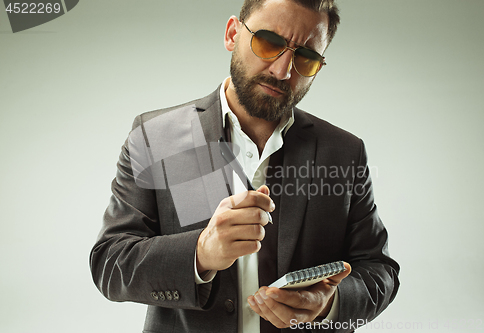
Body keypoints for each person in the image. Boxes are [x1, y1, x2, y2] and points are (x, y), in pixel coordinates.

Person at [90, 0, 400, 332]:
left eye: (306, 58)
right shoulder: (155, 137)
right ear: (232, 34)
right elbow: (110, 263)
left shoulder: (344, 152)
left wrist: (327, 305)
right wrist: (201, 253)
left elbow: (379, 271)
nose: (282, 71)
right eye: (269, 42)